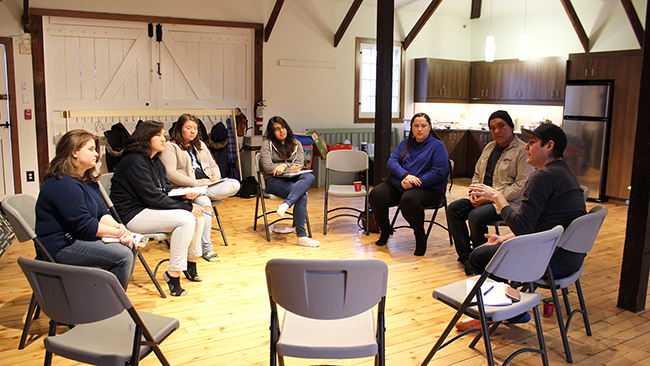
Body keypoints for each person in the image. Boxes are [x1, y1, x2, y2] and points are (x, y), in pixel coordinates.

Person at [467, 123, 587, 279]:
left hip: (549, 260)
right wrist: (504, 238)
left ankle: (504, 299)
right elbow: (539, 223)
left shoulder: (543, 177)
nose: (526, 147)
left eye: (532, 142)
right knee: (492, 251)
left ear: (549, 145)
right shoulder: (564, 171)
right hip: (569, 259)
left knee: (478, 256)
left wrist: (498, 197)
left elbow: (521, 227)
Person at [111, 121, 205, 297]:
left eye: (163, 135)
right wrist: (186, 207)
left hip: (150, 209)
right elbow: (152, 197)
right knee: (186, 218)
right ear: (146, 138)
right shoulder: (134, 161)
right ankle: (173, 274)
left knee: (198, 213)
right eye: (159, 135)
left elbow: (164, 192)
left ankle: (190, 263)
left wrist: (185, 196)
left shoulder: (155, 161)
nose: (164, 139)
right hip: (133, 215)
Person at [35, 130, 136, 289]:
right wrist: (119, 234)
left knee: (131, 245)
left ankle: (103, 299)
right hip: (61, 245)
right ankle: (107, 306)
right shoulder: (62, 183)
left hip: (78, 236)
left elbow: (102, 212)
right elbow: (85, 225)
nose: (96, 154)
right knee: (123, 256)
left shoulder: (88, 180)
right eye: (90, 149)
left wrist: (118, 228)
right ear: (74, 152)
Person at [447, 110, 533, 275]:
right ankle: (466, 257)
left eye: (501, 126)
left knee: (476, 216)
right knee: (453, 209)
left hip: (506, 204)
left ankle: (481, 258)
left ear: (511, 126)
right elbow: (477, 174)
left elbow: (520, 186)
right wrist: (474, 192)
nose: (497, 131)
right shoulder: (489, 147)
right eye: (492, 128)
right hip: (482, 197)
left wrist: (490, 198)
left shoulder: (522, 150)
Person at [160, 113, 241, 263]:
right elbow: (170, 174)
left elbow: (212, 165)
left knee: (234, 184)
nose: (192, 131)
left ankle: (204, 192)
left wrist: (216, 177)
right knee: (205, 203)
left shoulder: (201, 145)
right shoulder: (171, 147)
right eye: (188, 128)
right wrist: (195, 183)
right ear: (180, 129)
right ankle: (206, 248)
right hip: (186, 188)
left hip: (207, 185)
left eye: (195, 128)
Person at [368, 112, 449, 256]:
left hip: (429, 189)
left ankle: (420, 237)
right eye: (416, 126)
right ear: (411, 127)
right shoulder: (405, 143)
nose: (419, 129)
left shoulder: (437, 146)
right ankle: (386, 230)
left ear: (429, 127)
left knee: (409, 200)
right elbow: (391, 163)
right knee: (376, 194)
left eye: (423, 126)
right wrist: (406, 176)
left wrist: (414, 183)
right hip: (401, 184)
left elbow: (439, 172)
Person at [259, 116, 320, 248]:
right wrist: (286, 167)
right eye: (277, 129)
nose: (281, 131)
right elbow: (267, 167)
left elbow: (299, 164)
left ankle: (286, 204)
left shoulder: (296, 143)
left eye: (283, 127)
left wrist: (284, 167)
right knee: (301, 195)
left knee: (310, 177)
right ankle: (302, 236)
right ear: (271, 132)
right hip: (273, 181)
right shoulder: (267, 144)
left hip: (293, 179)